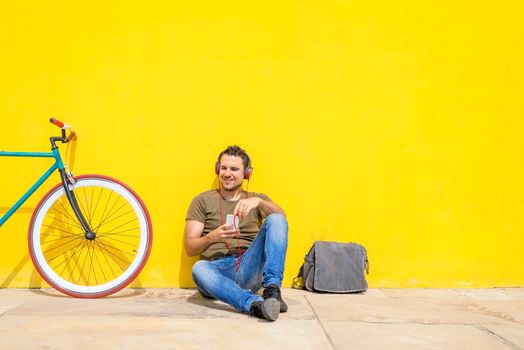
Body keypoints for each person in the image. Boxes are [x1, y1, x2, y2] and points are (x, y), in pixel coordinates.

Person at [184, 145, 288, 321]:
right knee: (198, 268)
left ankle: (272, 292)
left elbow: (281, 220)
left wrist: (259, 202)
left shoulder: (256, 199)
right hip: (217, 271)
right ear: (217, 169)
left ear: (247, 173)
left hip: (249, 266)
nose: (227, 173)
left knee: (276, 218)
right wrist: (211, 237)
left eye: (234, 169)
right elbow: (190, 248)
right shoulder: (202, 200)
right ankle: (254, 305)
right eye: (223, 168)